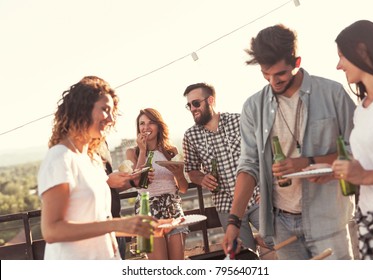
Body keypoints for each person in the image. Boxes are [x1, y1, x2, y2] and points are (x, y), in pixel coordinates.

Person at [222, 24, 357, 260]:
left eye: (280, 74)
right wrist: (234, 222)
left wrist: (309, 162)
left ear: (296, 63)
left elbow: (358, 150)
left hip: (329, 218)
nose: (273, 81)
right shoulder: (253, 107)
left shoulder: (333, 94)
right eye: (266, 73)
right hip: (281, 223)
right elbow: (248, 166)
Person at [37, 76, 155, 260]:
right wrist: (117, 225)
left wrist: (140, 227)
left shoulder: (92, 160)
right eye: (105, 110)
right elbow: (52, 231)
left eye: (112, 111)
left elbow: (96, 218)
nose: (111, 118)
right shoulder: (59, 158)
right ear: (82, 109)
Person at [332, 20, 373, 259]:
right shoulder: (361, 109)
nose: (338, 65)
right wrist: (328, 169)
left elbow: (367, 172)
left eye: (342, 56)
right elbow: (370, 160)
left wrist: (364, 176)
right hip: (370, 222)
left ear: (362, 51)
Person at [182, 82, 264, 252]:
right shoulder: (190, 136)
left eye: (196, 103)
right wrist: (202, 178)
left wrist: (266, 189)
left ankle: (258, 241)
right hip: (226, 205)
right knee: (243, 256)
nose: (192, 108)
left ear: (210, 100)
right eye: (189, 105)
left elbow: (263, 154)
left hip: (257, 197)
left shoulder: (239, 120)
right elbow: (191, 170)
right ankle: (250, 242)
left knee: (277, 241)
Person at [126, 108, 189, 260]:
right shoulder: (132, 152)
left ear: (159, 126)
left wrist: (179, 174)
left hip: (172, 208)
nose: (146, 127)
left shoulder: (171, 151)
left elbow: (183, 188)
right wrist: (142, 151)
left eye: (151, 123)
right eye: (142, 123)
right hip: (148, 210)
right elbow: (139, 183)